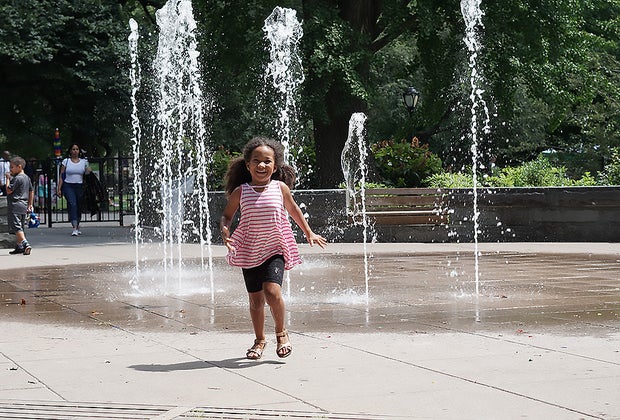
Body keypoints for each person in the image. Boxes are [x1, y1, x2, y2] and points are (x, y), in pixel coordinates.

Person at [220, 136, 327, 360]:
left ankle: (282, 333)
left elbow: (294, 210)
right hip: (249, 250)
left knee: (272, 291)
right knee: (256, 300)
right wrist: (225, 232)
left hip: (275, 247)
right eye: (256, 160)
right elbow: (227, 216)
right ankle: (259, 340)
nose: (262, 165)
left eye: (267, 161)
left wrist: (309, 233)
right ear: (247, 165)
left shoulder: (280, 188)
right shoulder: (241, 191)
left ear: (275, 166)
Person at [57, 144, 91, 236]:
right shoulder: (66, 161)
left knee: (79, 205)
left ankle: (77, 223)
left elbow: (88, 173)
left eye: (77, 149)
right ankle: (74, 227)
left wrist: (87, 164)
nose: (75, 151)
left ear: (79, 151)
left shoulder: (83, 161)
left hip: (79, 186)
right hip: (68, 186)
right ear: (70, 151)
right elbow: (62, 175)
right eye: (73, 149)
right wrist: (59, 188)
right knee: (72, 204)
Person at [5, 156, 34, 255]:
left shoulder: (17, 178)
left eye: (12, 167)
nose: (10, 170)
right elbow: (31, 191)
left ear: (19, 167)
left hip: (15, 204)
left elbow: (8, 190)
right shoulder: (27, 178)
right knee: (21, 226)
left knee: (16, 227)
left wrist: (8, 179)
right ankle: (19, 246)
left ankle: (26, 244)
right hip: (23, 205)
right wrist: (30, 204)